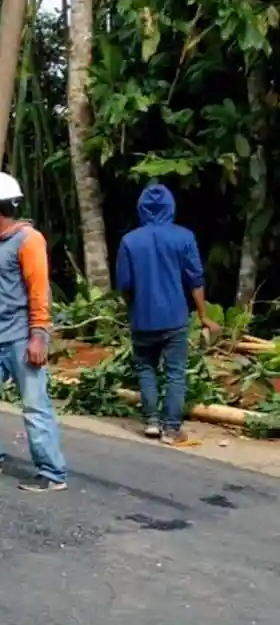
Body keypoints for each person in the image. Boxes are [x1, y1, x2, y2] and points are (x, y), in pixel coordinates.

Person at [0, 171, 67, 493]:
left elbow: (39, 291)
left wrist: (39, 336)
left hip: (22, 338)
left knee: (35, 406)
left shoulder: (29, 240)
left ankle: (52, 472)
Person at [115, 182, 219, 445]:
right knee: (174, 372)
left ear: (141, 208)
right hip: (174, 318)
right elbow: (195, 279)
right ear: (171, 207)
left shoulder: (129, 241)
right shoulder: (184, 237)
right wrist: (203, 314)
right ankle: (172, 429)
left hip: (143, 318)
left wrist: (133, 307)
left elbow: (125, 285)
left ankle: (151, 421)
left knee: (146, 368)